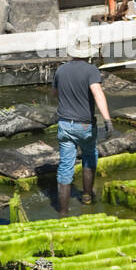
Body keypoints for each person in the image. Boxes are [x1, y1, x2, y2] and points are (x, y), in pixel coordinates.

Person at [52, 34, 112, 215]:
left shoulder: (61, 70)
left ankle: (63, 213)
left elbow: (54, 94)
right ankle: (86, 196)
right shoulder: (91, 70)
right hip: (84, 125)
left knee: (65, 166)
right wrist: (107, 119)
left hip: (64, 124)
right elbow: (97, 93)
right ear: (88, 53)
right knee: (89, 155)